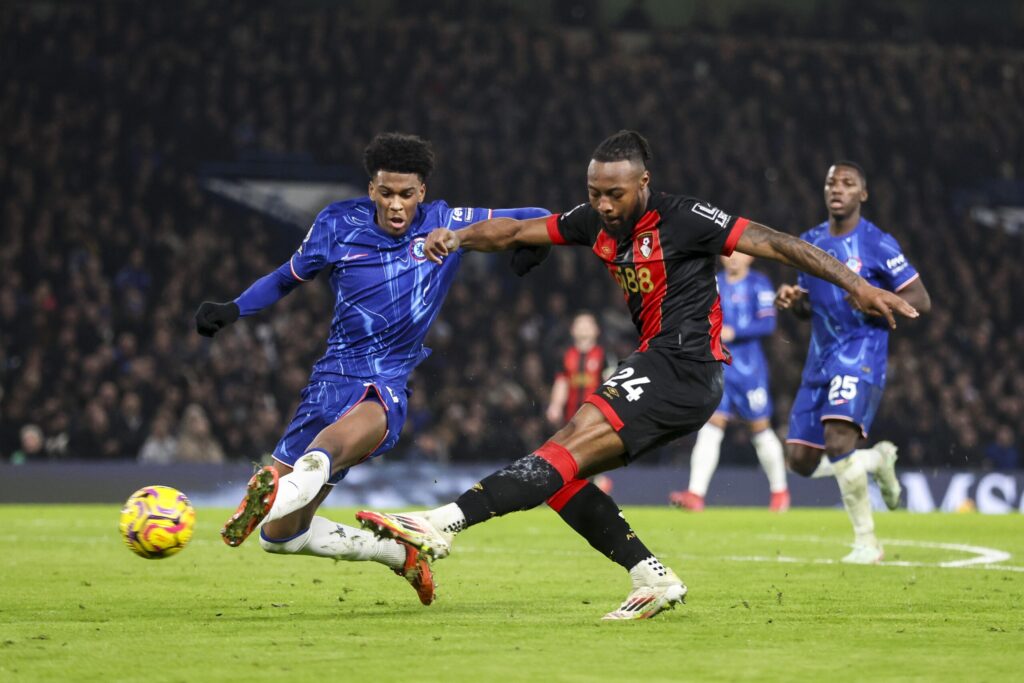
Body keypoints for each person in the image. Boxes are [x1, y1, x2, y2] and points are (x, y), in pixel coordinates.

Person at [353, 130, 918, 620]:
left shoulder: (686, 218)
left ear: (643, 183)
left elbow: (780, 245)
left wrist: (859, 286)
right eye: (594, 192)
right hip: (663, 366)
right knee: (561, 473)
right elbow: (519, 233)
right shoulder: (593, 221)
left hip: (684, 364)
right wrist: (458, 238)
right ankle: (651, 576)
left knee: (563, 448)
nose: (602, 205)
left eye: (614, 194)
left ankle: (440, 525)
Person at [194, 132, 549, 606]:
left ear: (422, 191)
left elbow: (537, 218)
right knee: (279, 535)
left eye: (406, 194)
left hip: (384, 384)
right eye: (386, 193)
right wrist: (234, 309)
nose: (396, 205)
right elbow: (286, 277)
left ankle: (276, 492)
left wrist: (535, 245)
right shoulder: (337, 224)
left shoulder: (446, 223)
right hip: (328, 381)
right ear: (371, 190)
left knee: (323, 454)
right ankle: (397, 555)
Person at [776, 161, 931, 564]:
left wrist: (874, 302)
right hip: (819, 360)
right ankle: (877, 460)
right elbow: (810, 308)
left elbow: (920, 300)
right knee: (801, 462)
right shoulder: (810, 242)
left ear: (863, 194)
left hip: (860, 353)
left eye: (847, 183)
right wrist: (796, 303)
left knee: (838, 442)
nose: (837, 189)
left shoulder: (877, 243)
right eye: (831, 183)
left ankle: (867, 542)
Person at [669, 251, 789, 512]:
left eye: (740, 253)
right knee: (712, 425)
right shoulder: (713, 283)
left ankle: (780, 492)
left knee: (760, 428)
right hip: (719, 367)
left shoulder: (759, 283)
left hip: (749, 370)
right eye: (728, 253)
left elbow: (768, 324)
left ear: (750, 258)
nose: (733, 258)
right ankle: (695, 494)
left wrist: (736, 332)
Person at [546, 310, 614, 494]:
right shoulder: (565, 355)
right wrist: (555, 405)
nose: (583, 328)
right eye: (579, 324)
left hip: (595, 415)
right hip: (571, 416)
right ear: (572, 330)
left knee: (590, 452)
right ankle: (591, 485)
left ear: (596, 330)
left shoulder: (603, 354)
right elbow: (562, 382)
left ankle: (595, 483)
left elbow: (610, 382)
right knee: (571, 452)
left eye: (587, 324)